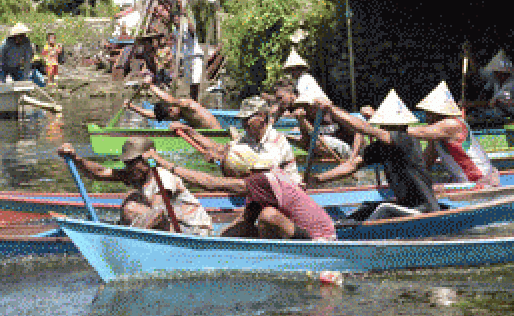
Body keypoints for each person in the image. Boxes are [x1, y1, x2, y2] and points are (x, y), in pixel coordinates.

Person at [305, 90, 442, 221]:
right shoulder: (380, 146)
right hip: (406, 208)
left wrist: (331, 109)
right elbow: (352, 165)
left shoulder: (406, 138)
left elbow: (368, 130)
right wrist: (317, 179)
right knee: (366, 209)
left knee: (383, 209)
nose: (385, 127)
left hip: (424, 210)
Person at [152, 150, 336, 241]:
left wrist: (168, 166)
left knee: (268, 215)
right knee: (248, 226)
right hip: (302, 233)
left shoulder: (262, 180)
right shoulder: (262, 185)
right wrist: (214, 241)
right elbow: (244, 221)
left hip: (318, 239)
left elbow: (209, 183)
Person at [57, 137, 211, 235]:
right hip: (173, 225)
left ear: (146, 159)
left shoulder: (162, 176)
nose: (128, 167)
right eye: (126, 163)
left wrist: (125, 237)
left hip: (193, 231)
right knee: (132, 198)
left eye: (131, 162)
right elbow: (99, 172)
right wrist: (76, 159)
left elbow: (157, 212)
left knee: (132, 207)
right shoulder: (137, 174)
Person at [414, 81, 499, 187]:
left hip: (480, 181)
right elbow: (426, 162)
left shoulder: (452, 124)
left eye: (428, 113)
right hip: (464, 182)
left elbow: (421, 132)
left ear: (438, 112)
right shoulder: (437, 135)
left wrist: (394, 129)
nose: (427, 117)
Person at [127, 71, 223, 130]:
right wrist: (132, 107)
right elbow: (152, 115)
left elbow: (170, 100)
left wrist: (150, 86)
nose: (171, 119)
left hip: (217, 135)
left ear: (171, 110)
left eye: (170, 117)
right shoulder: (179, 113)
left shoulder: (187, 104)